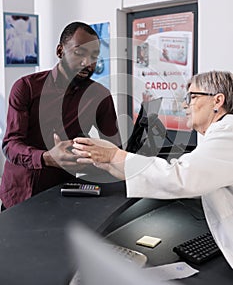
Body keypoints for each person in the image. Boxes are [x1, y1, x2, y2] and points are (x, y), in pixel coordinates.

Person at [72, 70, 233, 268]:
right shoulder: (223, 134)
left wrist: (114, 155)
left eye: (192, 97)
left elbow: (181, 177)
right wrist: (106, 162)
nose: (185, 104)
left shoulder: (229, 134)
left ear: (217, 101)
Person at [0, 21, 121, 209]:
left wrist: (90, 155)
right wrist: (47, 157)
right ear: (60, 51)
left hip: (63, 194)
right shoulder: (26, 87)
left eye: (94, 56)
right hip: (18, 193)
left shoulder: (100, 96)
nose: (87, 63)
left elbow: (114, 149)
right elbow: (10, 144)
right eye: (79, 52)